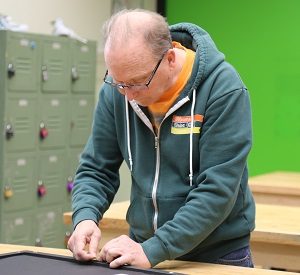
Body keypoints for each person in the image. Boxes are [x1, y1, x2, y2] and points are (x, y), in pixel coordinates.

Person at [67, 8, 255, 269]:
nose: (127, 95)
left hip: (214, 254)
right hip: (142, 249)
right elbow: (96, 169)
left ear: (169, 58)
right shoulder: (118, 92)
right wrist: (85, 217)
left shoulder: (222, 89)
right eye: (117, 81)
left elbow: (217, 191)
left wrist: (156, 248)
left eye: (136, 82)